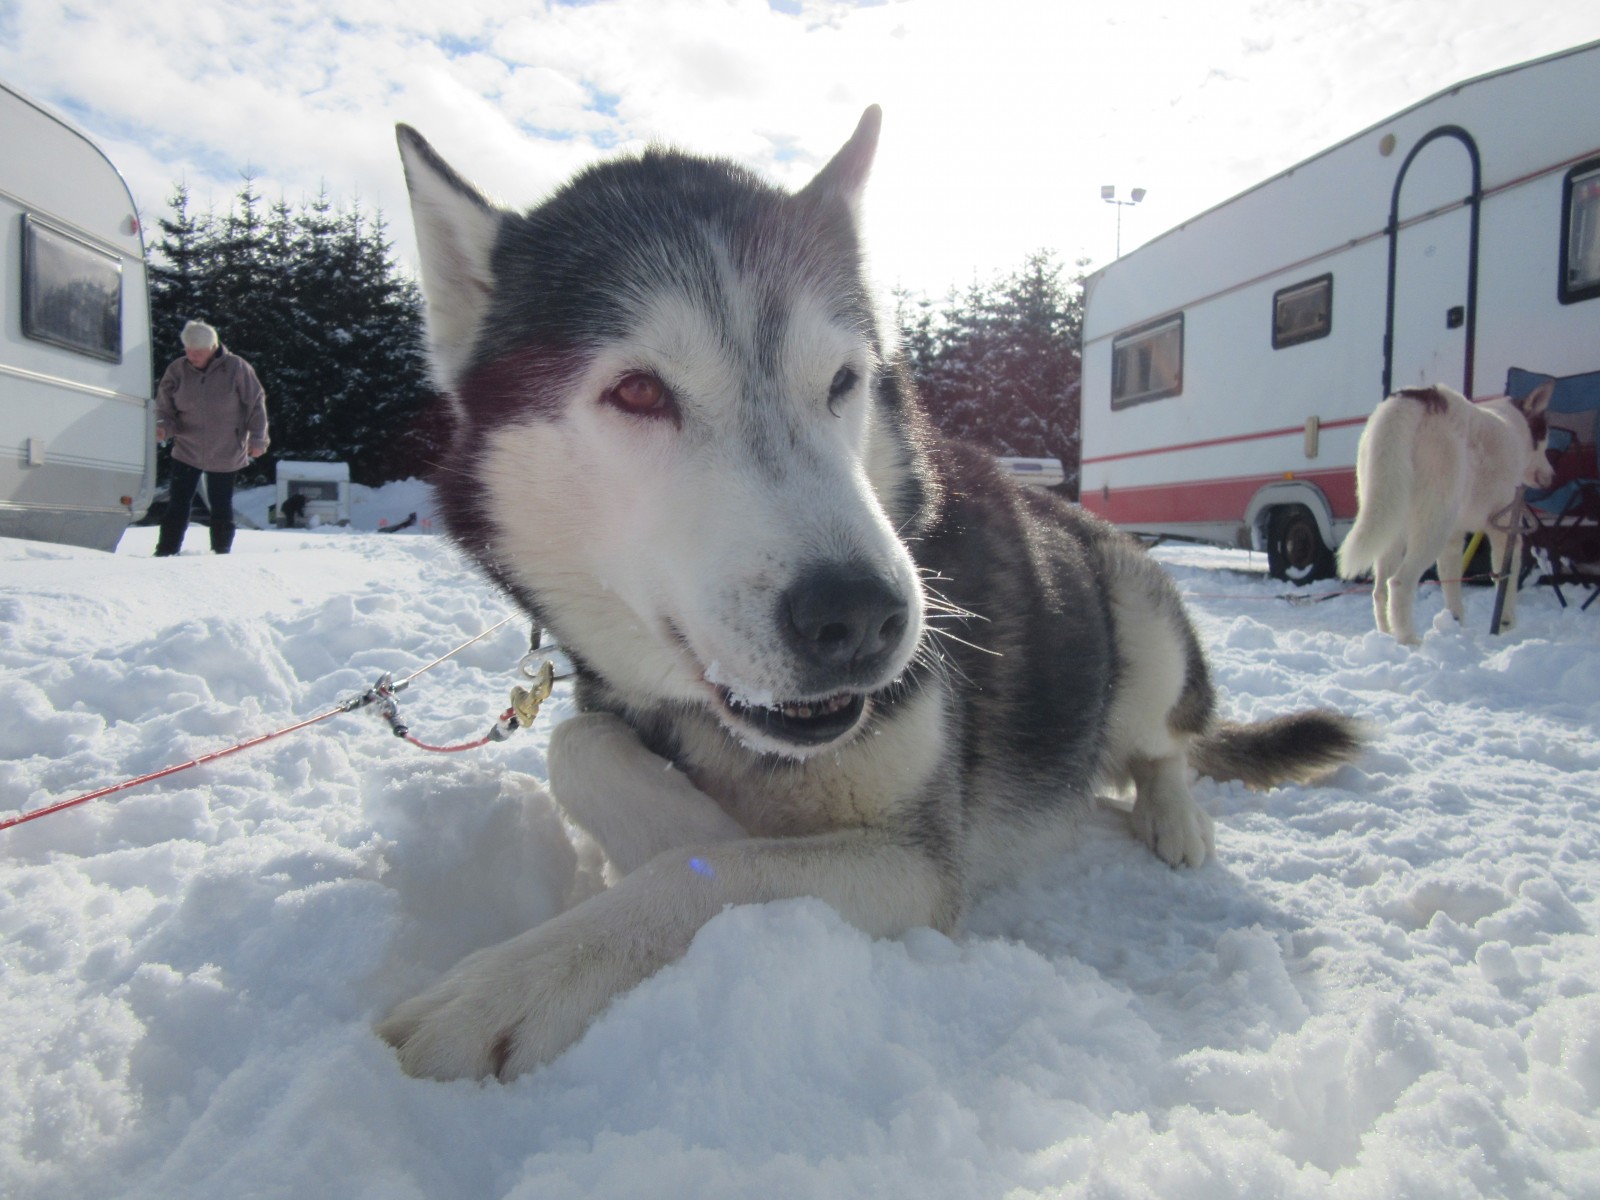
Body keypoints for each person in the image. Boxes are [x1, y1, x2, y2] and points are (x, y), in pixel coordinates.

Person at [153, 320, 269, 555]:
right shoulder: (177, 369)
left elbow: (255, 404)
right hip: (187, 448)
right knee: (178, 503)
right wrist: (164, 428)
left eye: (198, 352)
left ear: (213, 348)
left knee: (221, 504)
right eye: (188, 351)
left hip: (226, 448)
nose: (192, 356)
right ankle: (165, 551)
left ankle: (221, 551)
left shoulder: (236, 367)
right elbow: (164, 408)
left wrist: (258, 439)